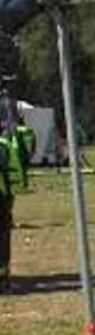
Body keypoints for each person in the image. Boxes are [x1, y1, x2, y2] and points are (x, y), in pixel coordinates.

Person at [0, 119, 19, 292]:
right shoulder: (4, 145)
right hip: (2, 198)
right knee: (3, 237)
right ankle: (3, 279)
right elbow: (14, 174)